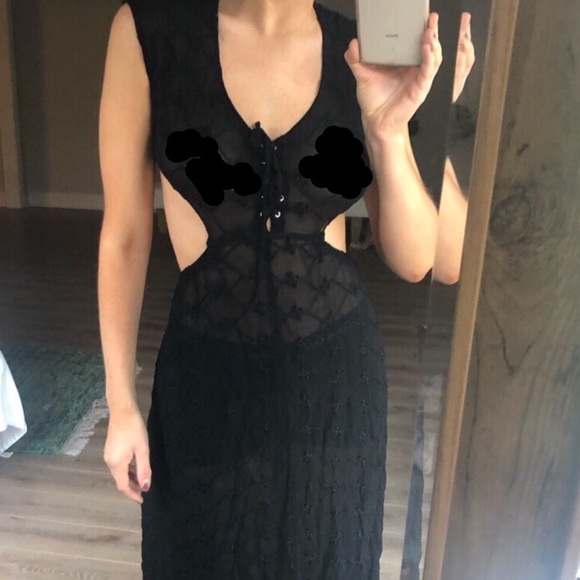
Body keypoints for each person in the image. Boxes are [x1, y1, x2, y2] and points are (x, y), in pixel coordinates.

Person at [97, 0, 472, 577]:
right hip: (205, 382)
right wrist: (120, 401)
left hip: (335, 390)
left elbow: (427, 259)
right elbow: (124, 235)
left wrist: (393, 130)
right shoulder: (149, 31)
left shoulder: (362, 50)